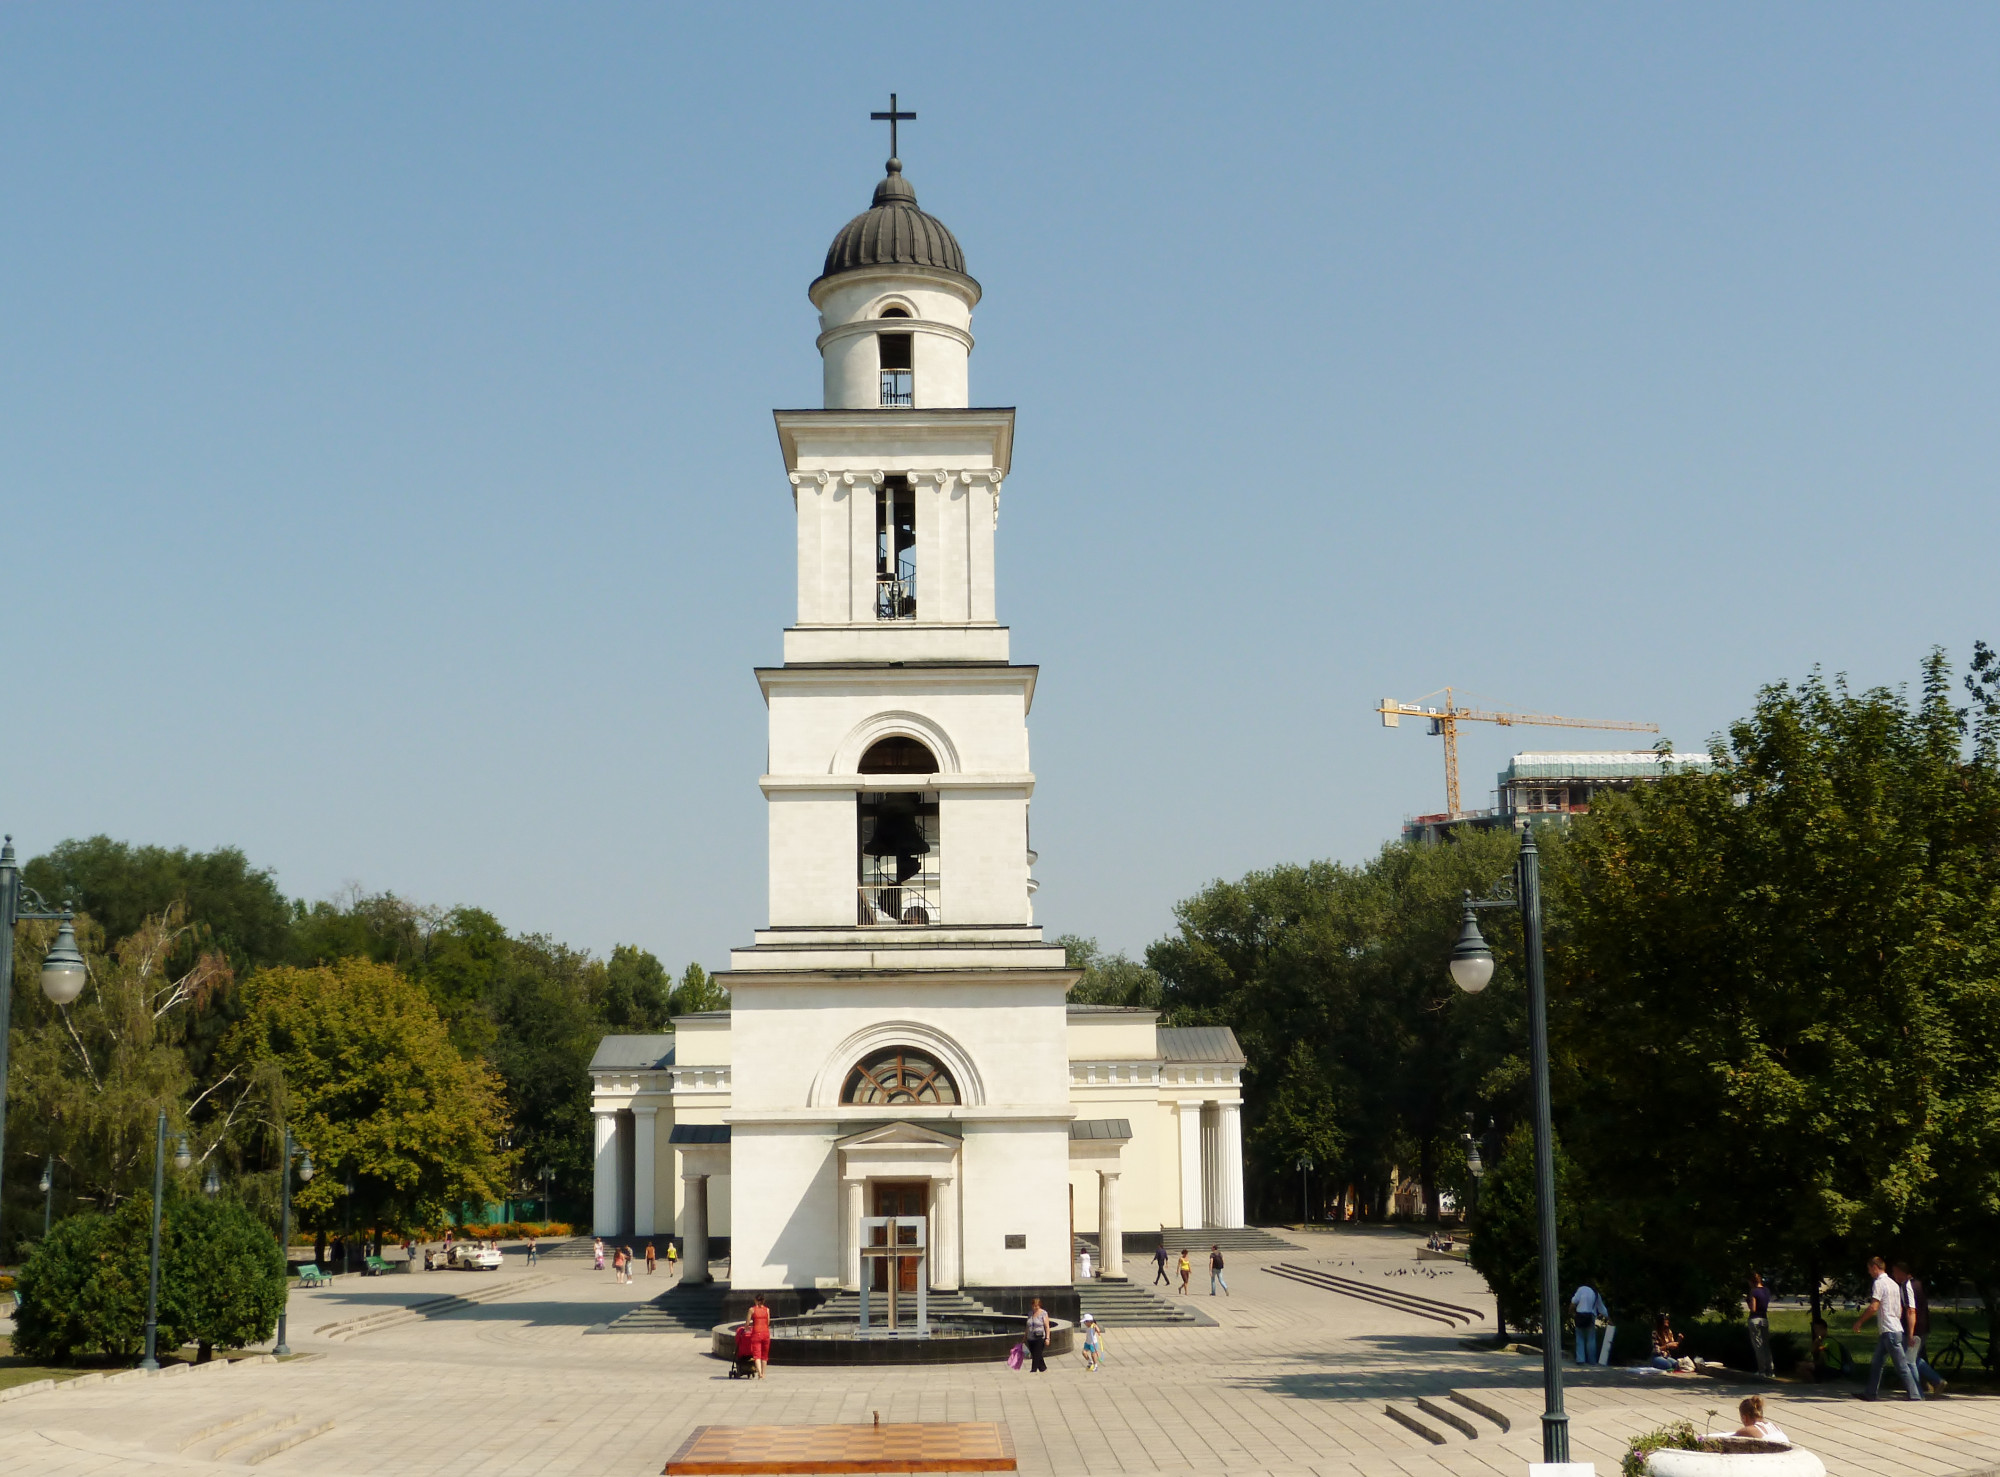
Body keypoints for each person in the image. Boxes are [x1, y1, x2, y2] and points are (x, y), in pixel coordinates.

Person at [1852, 1254, 1923, 1401]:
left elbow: (1874, 1306)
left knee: (1901, 1366)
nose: (1869, 1272)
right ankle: (1870, 1393)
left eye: (1869, 1269)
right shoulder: (1893, 1284)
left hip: (1889, 1331)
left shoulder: (1879, 1283)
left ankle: (1915, 1395)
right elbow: (1900, 1309)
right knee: (1877, 1363)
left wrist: (1859, 1322)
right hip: (1893, 1329)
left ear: (1875, 1267)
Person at [1893, 1262, 1947, 1395]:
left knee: (1909, 1360)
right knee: (1915, 1359)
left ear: (1901, 1272)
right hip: (1923, 1326)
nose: (1894, 1275)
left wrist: (1910, 1333)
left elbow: (1911, 1310)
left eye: (1895, 1272)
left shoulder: (1907, 1286)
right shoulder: (1918, 1284)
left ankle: (1918, 1390)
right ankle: (1933, 1381)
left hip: (1914, 1328)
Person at [1570, 1279, 1605, 1366]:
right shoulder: (1596, 1293)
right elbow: (1602, 1308)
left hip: (1580, 1315)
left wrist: (1570, 1312)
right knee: (1591, 1339)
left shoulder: (1581, 1289)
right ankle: (1592, 1360)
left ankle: (1580, 1359)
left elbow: (1573, 1302)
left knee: (1579, 1337)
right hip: (1590, 1316)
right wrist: (1610, 1320)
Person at [1745, 1272, 1773, 1378]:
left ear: (1752, 1282)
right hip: (1764, 1319)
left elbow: (1753, 1308)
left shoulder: (1753, 1292)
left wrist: (1748, 1301)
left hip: (1754, 1319)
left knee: (1758, 1346)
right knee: (1766, 1345)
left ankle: (1762, 1370)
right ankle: (1771, 1370)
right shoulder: (1766, 1291)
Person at [748, 1293, 772, 1378]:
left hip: (756, 1334)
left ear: (755, 1300)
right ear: (763, 1301)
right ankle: (764, 1373)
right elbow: (768, 1322)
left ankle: (759, 1373)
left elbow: (747, 1323)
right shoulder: (767, 1310)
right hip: (766, 1333)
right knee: (764, 1355)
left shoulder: (752, 1309)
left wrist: (746, 1327)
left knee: (757, 1355)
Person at [1025, 1298, 1051, 1373]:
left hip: (1039, 1337)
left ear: (1039, 1305)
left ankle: (1033, 1370)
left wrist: (1047, 1338)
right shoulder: (1030, 1313)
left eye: (1037, 1306)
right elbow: (1027, 1326)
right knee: (1036, 1354)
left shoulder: (1043, 1313)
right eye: (1033, 1306)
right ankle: (1043, 1368)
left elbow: (1047, 1326)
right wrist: (1025, 1337)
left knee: (1036, 1354)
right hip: (1030, 1338)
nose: (1035, 1307)